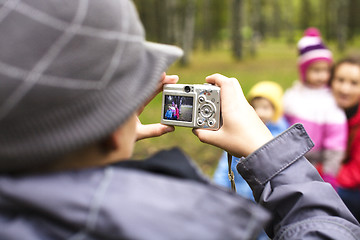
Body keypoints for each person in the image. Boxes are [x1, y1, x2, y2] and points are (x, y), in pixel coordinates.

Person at [0, 1, 359, 239]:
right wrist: (269, 155)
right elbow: (331, 231)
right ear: (111, 133)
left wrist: (105, 141)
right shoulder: (195, 228)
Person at [283, 27, 347, 187]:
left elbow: (335, 140)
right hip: (290, 160)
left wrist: (329, 172)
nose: (321, 75)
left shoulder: (330, 100)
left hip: (317, 164)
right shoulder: (293, 95)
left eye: (325, 70)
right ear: (304, 71)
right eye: (315, 70)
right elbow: (281, 123)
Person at [213, 81, 289, 201]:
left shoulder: (281, 136)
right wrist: (219, 189)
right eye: (254, 107)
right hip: (239, 194)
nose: (259, 112)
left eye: (265, 107)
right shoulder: (240, 131)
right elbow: (225, 165)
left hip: (266, 199)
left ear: (276, 110)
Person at [330, 57, 360, 222]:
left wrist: (321, 174)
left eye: (354, 83)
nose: (345, 89)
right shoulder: (320, 111)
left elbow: (357, 172)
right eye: (340, 80)